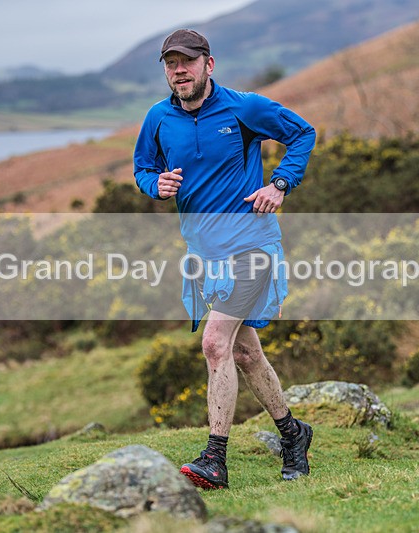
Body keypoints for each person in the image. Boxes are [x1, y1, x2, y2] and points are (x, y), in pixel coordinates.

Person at [133, 28, 316, 489]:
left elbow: (303, 134)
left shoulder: (243, 108)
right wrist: (157, 185)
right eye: (171, 63)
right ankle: (294, 435)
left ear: (208, 64)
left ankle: (215, 458)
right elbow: (143, 167)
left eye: (187, 62)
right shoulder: (157, 118)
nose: (179, 71)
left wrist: (279, 184)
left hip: (253, 246)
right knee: (245, 352)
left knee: (216, 343)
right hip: (205, 256)